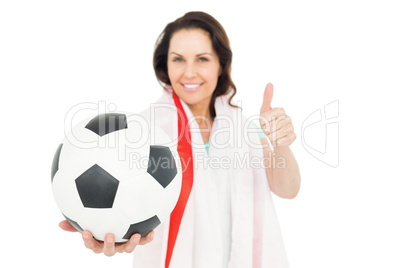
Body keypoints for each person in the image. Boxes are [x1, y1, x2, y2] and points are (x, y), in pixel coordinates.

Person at [59, 11, 300, 267]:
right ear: (166, 65)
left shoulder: (247, 130)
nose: (189, 72)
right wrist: (110, 231)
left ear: (221, 64)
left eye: (202, 59)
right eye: (178, 59)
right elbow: (121, 197)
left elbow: (288, 189)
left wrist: (281, 146)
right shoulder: (141, 132)